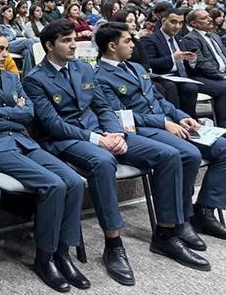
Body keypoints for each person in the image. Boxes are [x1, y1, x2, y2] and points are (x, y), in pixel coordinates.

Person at [22, 19, 209, 286]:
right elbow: (53, 125)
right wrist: (100, 138)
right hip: (67, 140)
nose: (74, 44)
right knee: (103, 161)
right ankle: (113, 243)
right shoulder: (35, 79)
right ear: (49, 46)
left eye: (74, 39)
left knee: (169, 155)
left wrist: (116, 133)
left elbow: (103, 108)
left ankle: (166, 233)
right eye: (66, 40)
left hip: (105, 133)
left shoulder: (84, 69)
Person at [0, 29, 88, 292]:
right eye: (0, 49)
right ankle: (44, 257)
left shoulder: (12, 77)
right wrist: (12, 111)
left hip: (25, 141)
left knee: (74, 181)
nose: (5, 54)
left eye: (7, 49)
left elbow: (29, 112)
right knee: (54, 185)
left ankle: (62, 253)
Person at [95, 22, 226, 247]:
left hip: (165, 122)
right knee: (189, 154)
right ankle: (181, 219)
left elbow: (158, 100)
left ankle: (204, 209)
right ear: (111, 46)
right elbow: (119, 116)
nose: (133, 44)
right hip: (143, 129)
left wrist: (181, 116)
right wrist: (164, 123)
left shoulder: (135, 68)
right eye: (127, 40)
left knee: (223, 148)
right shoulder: (100, 76)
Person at [142, 8, 199, 117]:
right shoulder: (150, 39)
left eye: (180, 23)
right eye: (173, 22)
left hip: (181, 76)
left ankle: (191, 120)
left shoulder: (180, 39)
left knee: (191, 88)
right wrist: (172, 58)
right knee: (170, 87)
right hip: (163, 76)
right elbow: (149, 62)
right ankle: (176, 119)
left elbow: (186, 64)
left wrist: (192, 61)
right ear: (163, 21)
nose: (177, 26)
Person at [183, 9, 226, 127]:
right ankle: (223, 128)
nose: (210, 19)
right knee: (224, 88)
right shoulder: (190, 38)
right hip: (203, 77)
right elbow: (201, 64)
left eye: (209, 16)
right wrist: (222, 76)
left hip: (220, 73)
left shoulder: (215, 36)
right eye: (204, 18)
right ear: (194, 24)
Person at [0, 6, 37, 76]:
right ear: (3, 13)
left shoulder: (13, 25)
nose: (11, 13)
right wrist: (14, 34)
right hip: (6, 46)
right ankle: (39, 68)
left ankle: (28, 78)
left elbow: (21, 34)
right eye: (9, 11)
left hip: (17, 44)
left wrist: (17, 31)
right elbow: (4, 39)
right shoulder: (0, 26)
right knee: (29, 41)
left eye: (12, 12)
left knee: (27, 52)